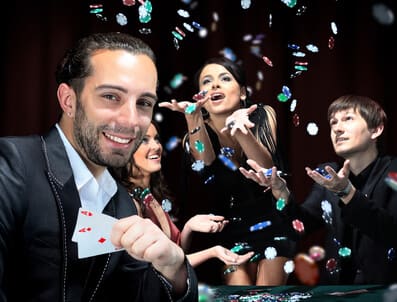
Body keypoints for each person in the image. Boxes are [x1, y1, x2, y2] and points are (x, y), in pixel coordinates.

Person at [0, 32, 198, 301]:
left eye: (144, 103)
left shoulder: (124, 205)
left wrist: (175, 269)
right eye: (111, 96)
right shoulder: (11, 165)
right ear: (69, 101)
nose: (131, 121)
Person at [159, 57, 295, 285]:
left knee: (267, 296)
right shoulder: (193, 134)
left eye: (224, 78)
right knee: (238, 295)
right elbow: (206, 163)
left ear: (242, 92)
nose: (214, 85)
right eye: (207, 81)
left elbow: (265, 168)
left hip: (275, 222)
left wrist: (240, 130)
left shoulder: (261, 114)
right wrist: (192, 116)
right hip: (232, 231)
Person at [240, 94, 397, 284]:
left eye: (348, 119)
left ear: (376, 129)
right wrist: (281, 192)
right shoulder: (328, 174)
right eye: (333, 122)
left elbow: (390, 232)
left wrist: (346, 192)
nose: (337, 128)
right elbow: (297, 228)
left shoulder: (393, 172)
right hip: (336, 292)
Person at [112, 120, 255, 268]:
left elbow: (176, 254)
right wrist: (213, 252)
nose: (156, 146)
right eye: (144, 140)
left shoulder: (150, 196)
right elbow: (158, 270)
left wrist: (189, 227)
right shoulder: (128, 204)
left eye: (156, 139)